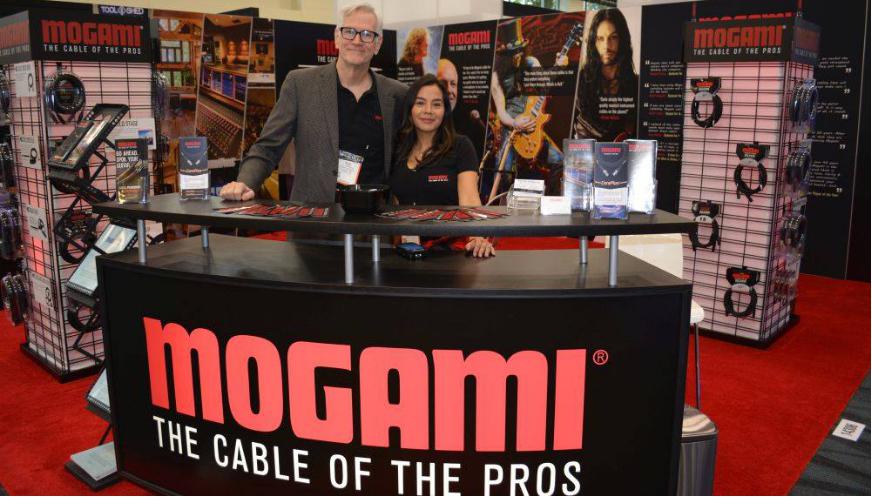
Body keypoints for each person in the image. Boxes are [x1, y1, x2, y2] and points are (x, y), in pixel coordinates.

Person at [220, 3, 407, 203]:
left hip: (375, 215)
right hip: (315, 214)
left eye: (367, 34)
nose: (357, 40)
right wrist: (245, 183)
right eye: (349, 32)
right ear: (337, 37)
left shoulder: (397, 94)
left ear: (378, 43)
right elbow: (268, 146)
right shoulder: (300, 84)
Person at [390, 75, 495, 258]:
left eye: (436, 104)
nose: (428, 111)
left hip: (450, 252)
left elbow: (469, 198)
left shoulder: (461, 146)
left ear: (445, 110)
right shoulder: (397, 148)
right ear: (410, 108)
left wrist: (477, 236)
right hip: (405, 252)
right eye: (420, 103)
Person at [487, 18, 566, 203]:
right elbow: (501, 111)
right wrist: (514, 123)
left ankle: (551, 205)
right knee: (504, 174)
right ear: (503, 55)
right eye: (511, 53)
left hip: (532, 128)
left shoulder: (531, 63)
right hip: (511, 129)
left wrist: (560, 67)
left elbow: (545, 86)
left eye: (519, 51)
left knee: (560, 161)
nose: (517, 56)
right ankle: (502, 214)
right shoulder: (496, 75)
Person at [573, 8, 638, 141]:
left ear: (623, 40)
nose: (607, 46)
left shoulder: (636, 85)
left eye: (613, 37)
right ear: (593, 42)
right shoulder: (579, 82)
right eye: (600, 39)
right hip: (584, 153)